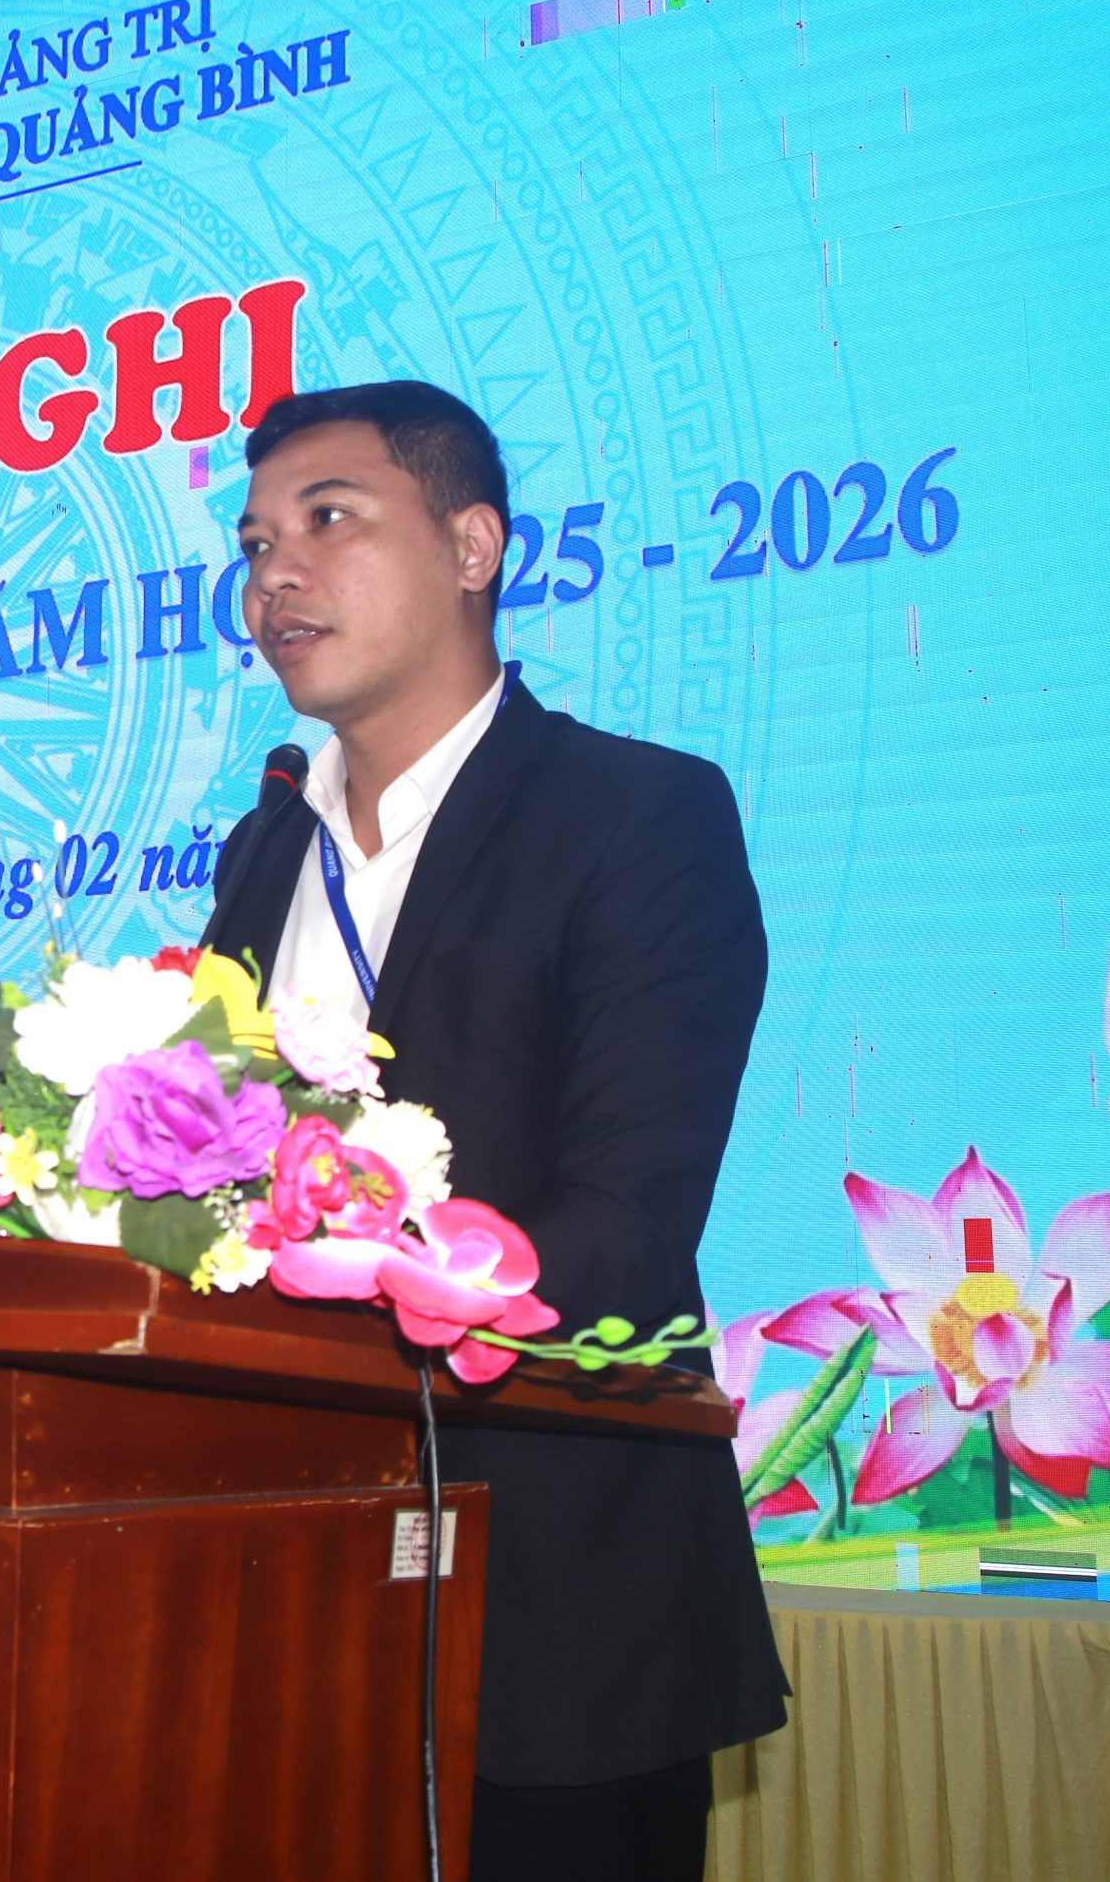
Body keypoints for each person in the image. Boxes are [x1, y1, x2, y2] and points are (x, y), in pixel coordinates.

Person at [202, 381, 788, 1882]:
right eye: (255, 542)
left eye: (327, 520)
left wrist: (343, 1284)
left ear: (473, 548)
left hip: (556, 1607)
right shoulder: (263, 851)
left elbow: (627, 1225)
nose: (274, 575)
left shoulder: (636, 814)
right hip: (283, 1598)